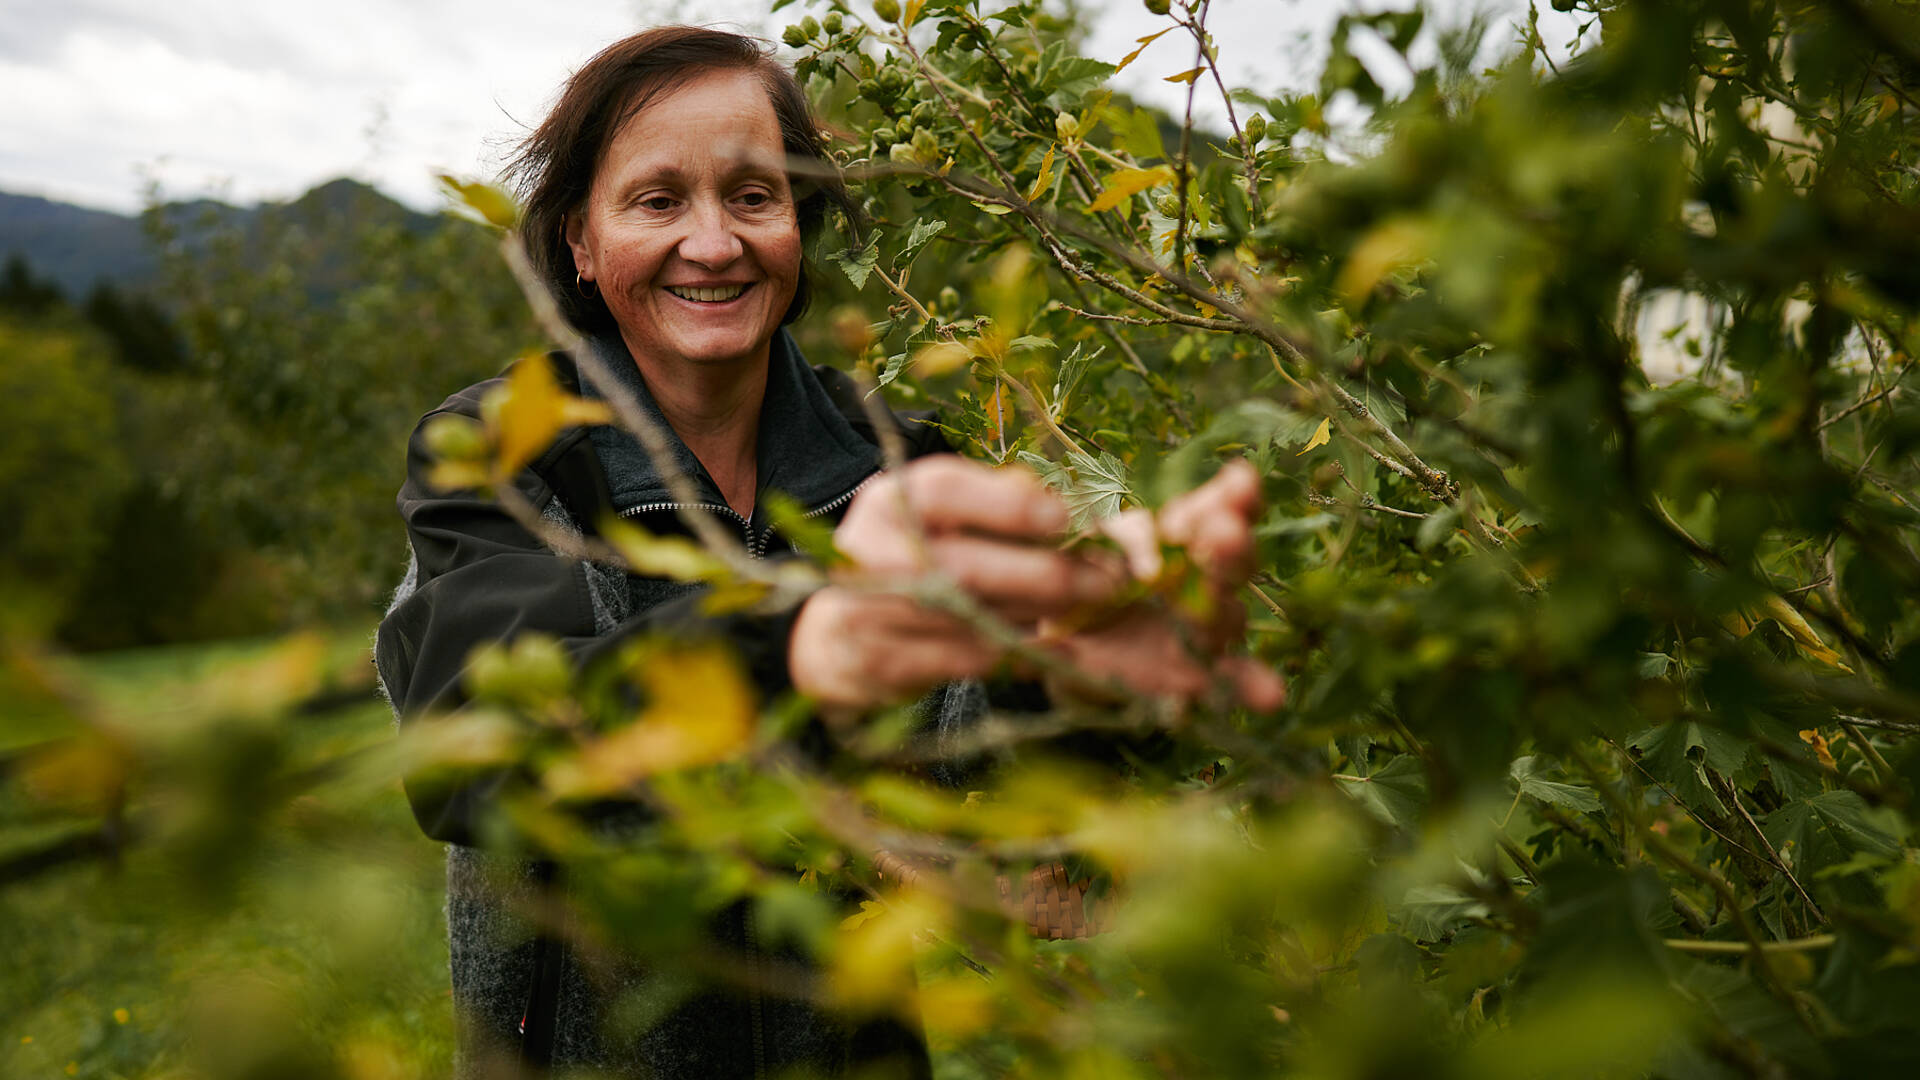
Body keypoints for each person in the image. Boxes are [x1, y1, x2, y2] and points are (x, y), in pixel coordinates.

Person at [374, 25, 1281, 1079]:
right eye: (658, 200)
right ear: (579, 240)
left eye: (754, 195)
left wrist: (1070, 673)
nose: (713, 244)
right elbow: (474, 738)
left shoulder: (891, 462)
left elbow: (965, 758)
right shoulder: (502, 453)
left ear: (799, 220)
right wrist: (803, 643)